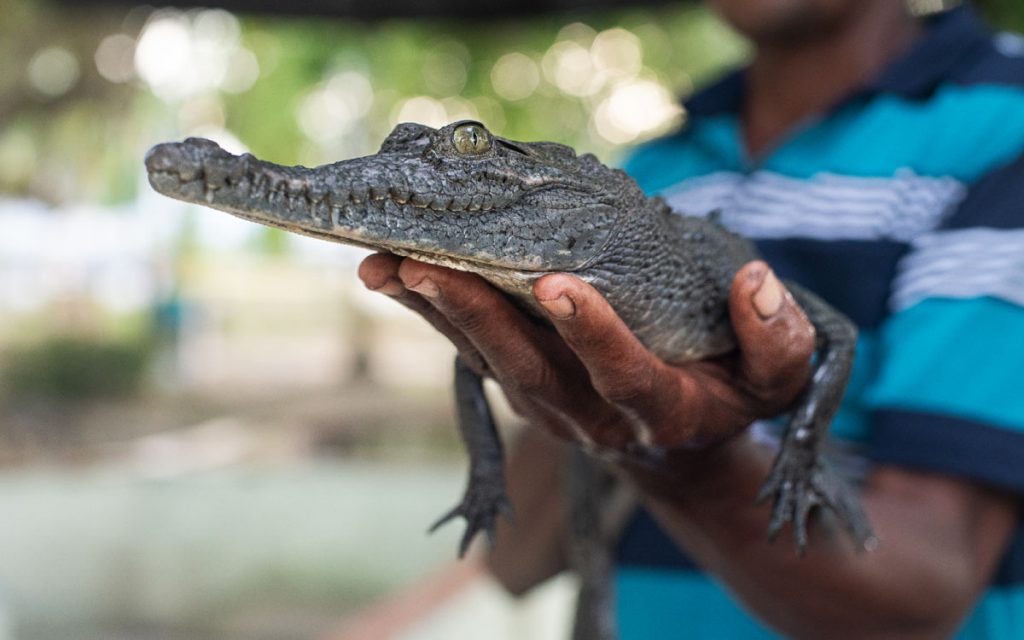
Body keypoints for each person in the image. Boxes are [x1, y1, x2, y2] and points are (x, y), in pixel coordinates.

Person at [358, 0, 1024, 637]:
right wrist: (555, 386)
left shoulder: (1009, 123)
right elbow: (513, 561)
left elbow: (923, 594)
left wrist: (678, 453)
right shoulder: (656, 168)